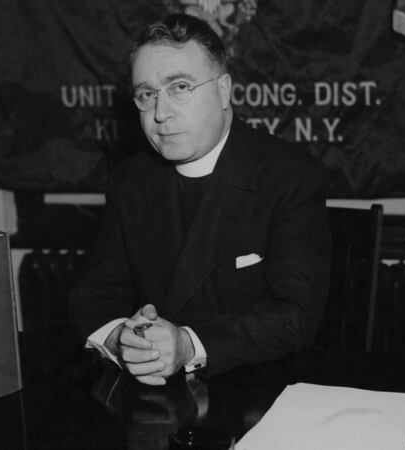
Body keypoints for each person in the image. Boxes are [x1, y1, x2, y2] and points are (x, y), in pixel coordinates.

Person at [68, 13, 330, 385]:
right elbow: (93, 293)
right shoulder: (130, 180)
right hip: (152, 401)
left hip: (256, 394)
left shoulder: (291, 177)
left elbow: (295, 317)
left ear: (223, 91)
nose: (160, 113)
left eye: (179, 87)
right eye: (147, 94)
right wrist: (122, 340)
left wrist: (188, 346)